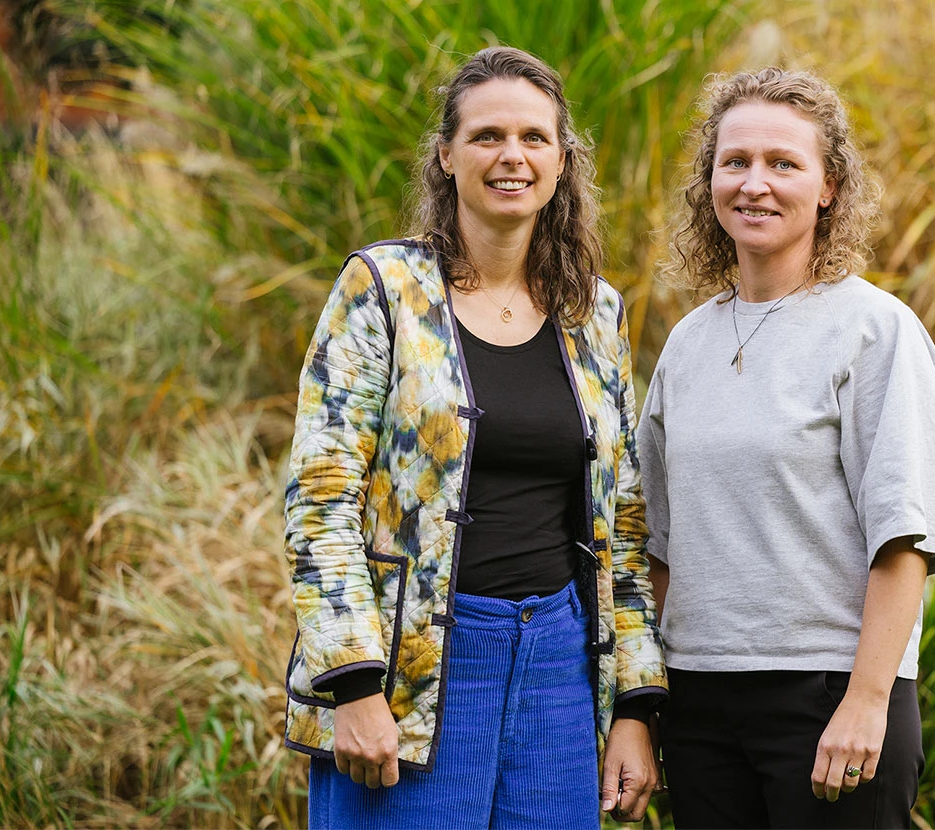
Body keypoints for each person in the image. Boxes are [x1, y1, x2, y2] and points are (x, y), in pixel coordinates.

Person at [281, 46, 667, 829]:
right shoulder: (382, 289)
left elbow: (622, 527)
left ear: (562, 162)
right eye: (488, 135)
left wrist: (634, 705)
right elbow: (320, 499)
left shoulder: (595, 314)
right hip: (415, 670)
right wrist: (355, 685)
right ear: (447, 156)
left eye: (534, 137)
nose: (511, 156)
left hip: (558, 668)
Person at [639, 67, 935, 828]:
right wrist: (641, 709)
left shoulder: (875, 331)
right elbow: (653, 545)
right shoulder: (687, 344)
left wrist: (866, 701)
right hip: (700, 701)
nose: (755, 184)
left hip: (829, 698)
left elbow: (904, 537)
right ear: (708, 182)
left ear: (829, 188)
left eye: (784, 163)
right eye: (735, 162)